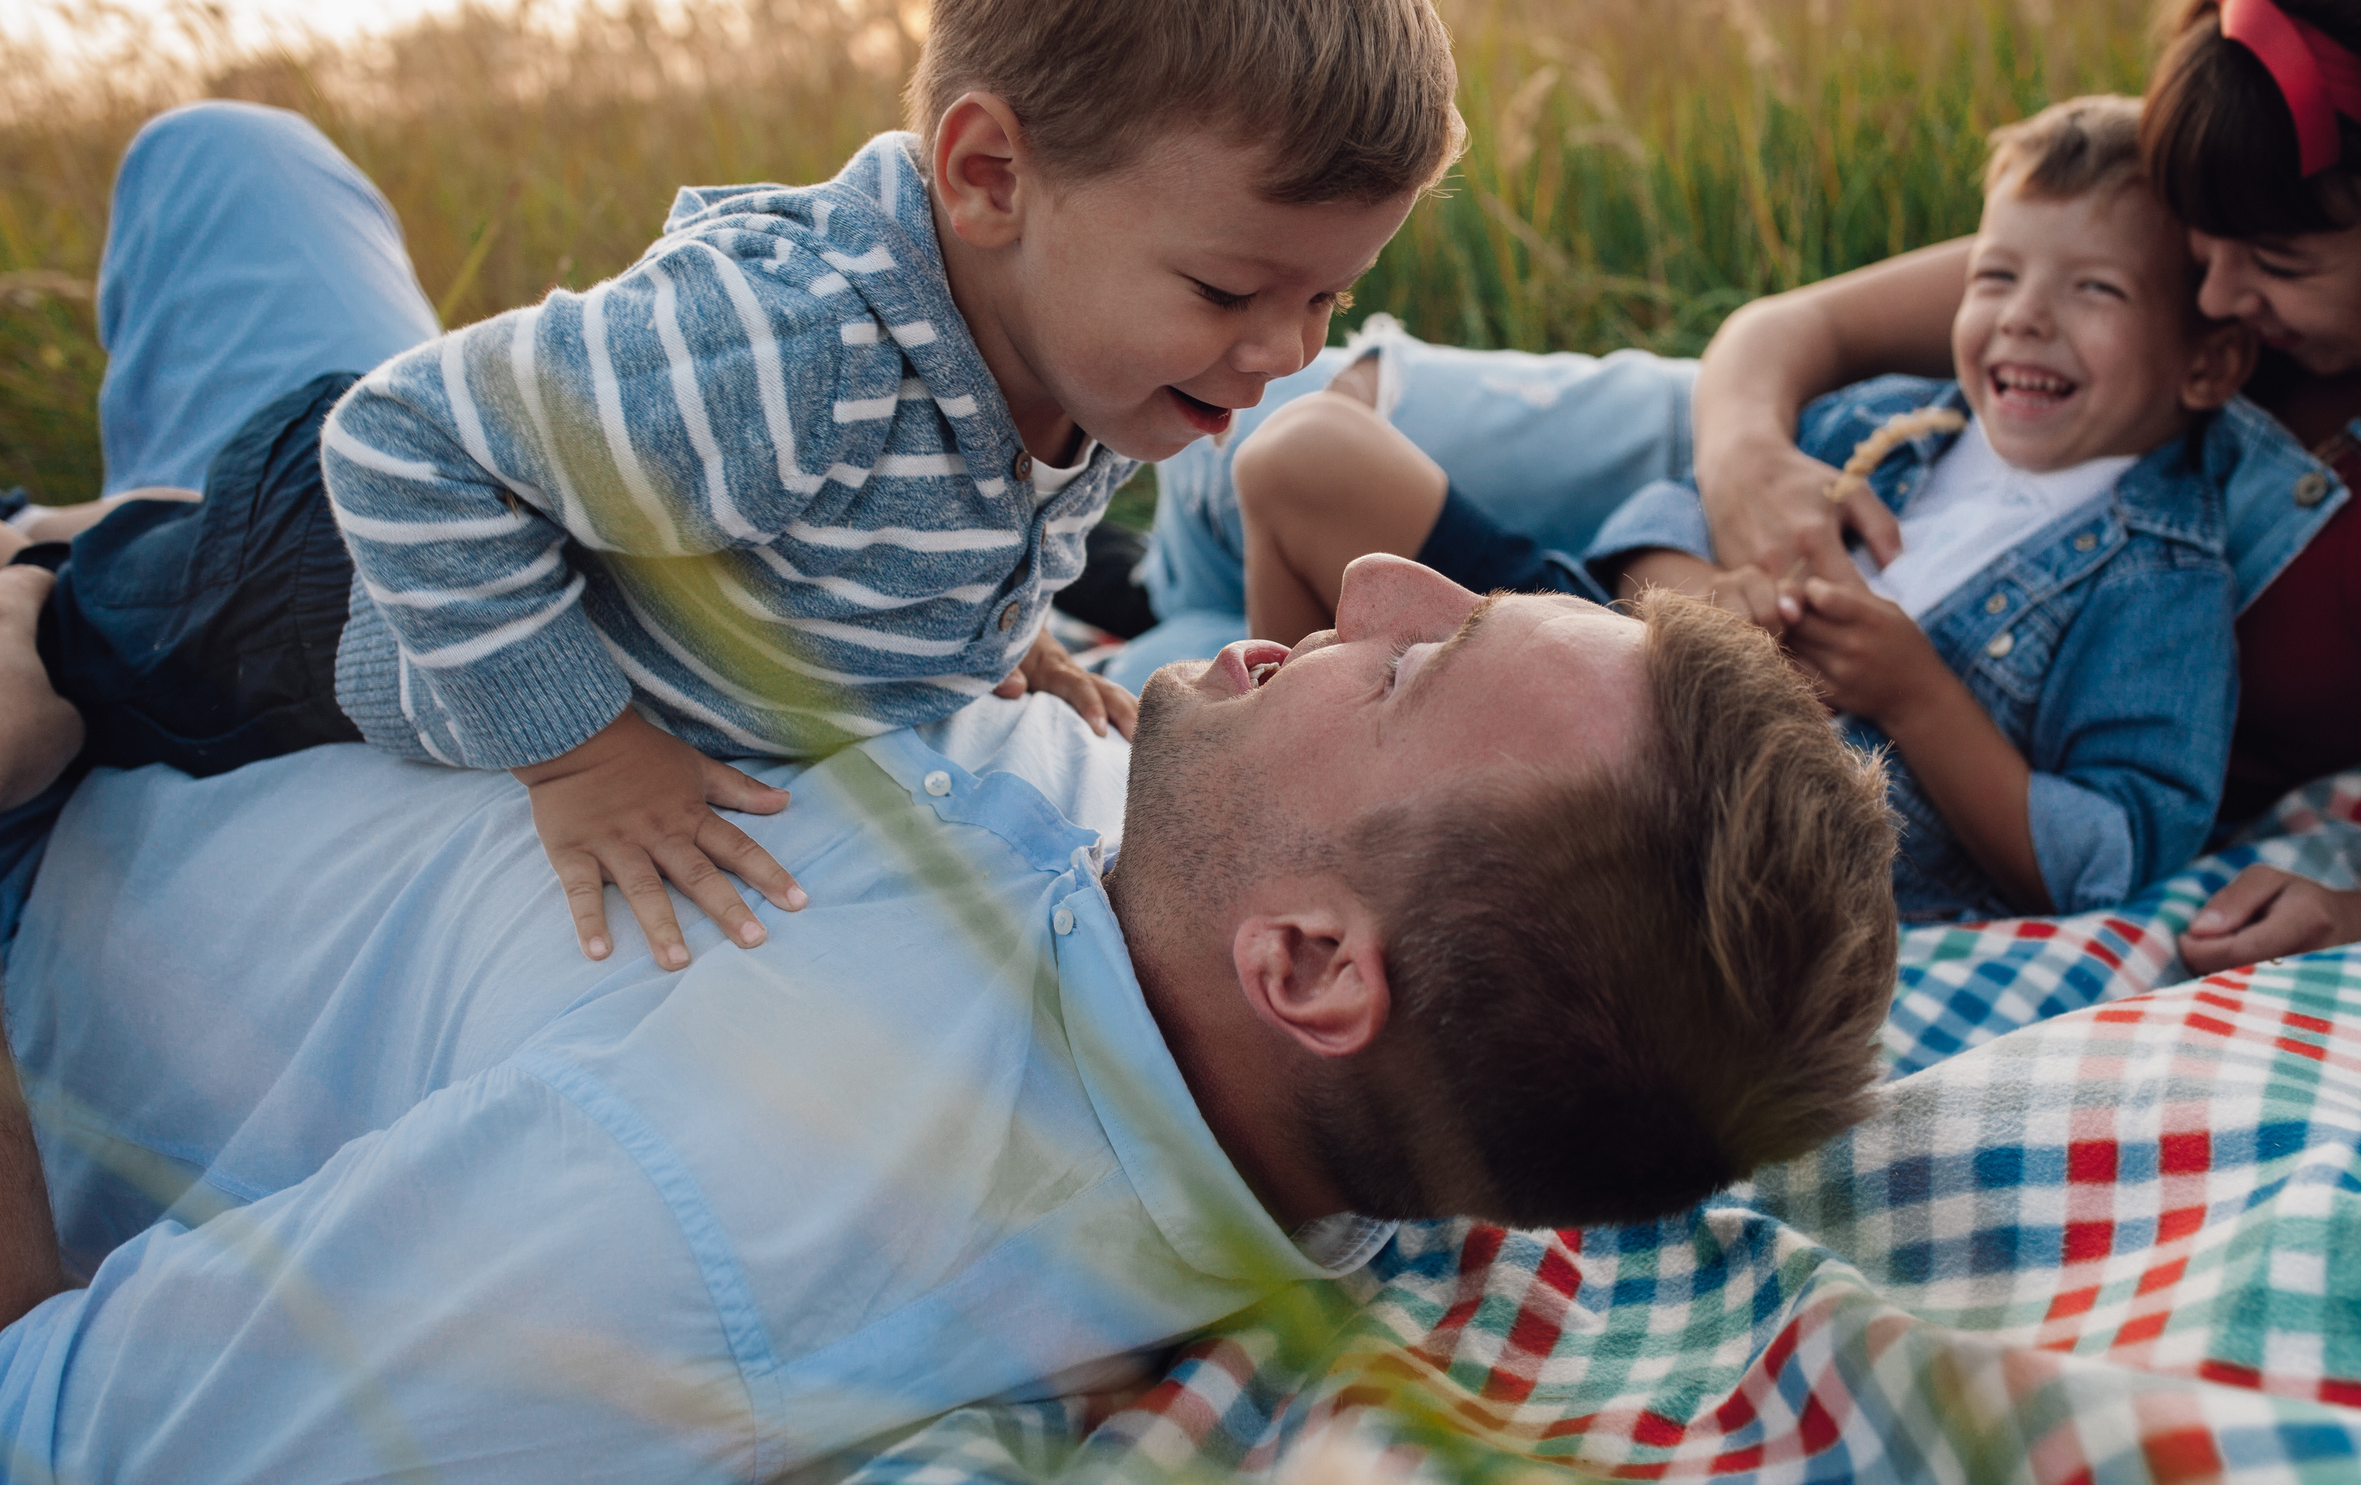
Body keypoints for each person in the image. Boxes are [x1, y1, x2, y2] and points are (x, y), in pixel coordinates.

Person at [0, 0, 1460, 973]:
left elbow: (974, 510)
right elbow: (401, 445)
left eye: (1328, 297)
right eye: (1228, 291)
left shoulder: (1100, 356)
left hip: (506, 477)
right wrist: (589, 758)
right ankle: (53, 555)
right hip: (309, 591)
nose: (1284, 353)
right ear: (989, 177)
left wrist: (1005, 635)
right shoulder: (792, 355)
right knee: (75, 674)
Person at [0, 569, 1899, 1475]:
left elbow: (56, 1426)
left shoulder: (728, 1218)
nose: (1375, 582)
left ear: (1313, 968)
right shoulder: (1215, 913)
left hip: (73, 837)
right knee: (242, 169)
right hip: (399, 646)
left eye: (1410, 667)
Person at [1684, 0, 2361, 967]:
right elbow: (1791, 329)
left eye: (2278, 262)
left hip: (1913, 712)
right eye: (2201, 237)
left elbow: (2095, 833)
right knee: (1498, 420)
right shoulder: (2234, 184)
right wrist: (1744, 461)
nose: (2213, 294)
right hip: (1820, 451)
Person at [1567, 97, 2254, 918]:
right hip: (1616, 744)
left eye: (2095, 289)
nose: (2024, 316)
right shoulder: (1884, 422)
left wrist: (1914, 697)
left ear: (2208, 366)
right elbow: (1654, 520)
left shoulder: (2162, 583)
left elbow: (2102, 856)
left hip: (1749, 877)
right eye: (1995, 276)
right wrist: (1702, 594)